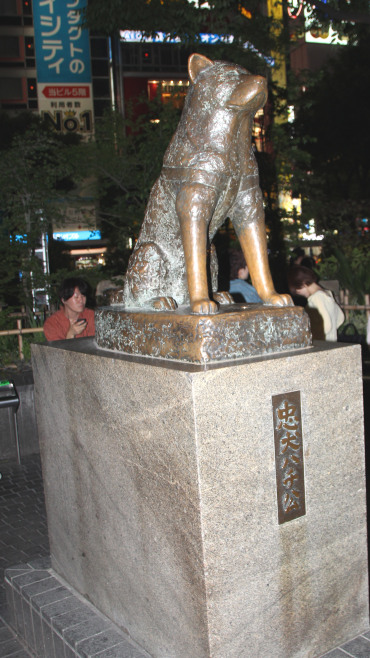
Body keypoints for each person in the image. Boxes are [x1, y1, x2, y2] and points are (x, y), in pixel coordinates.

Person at [287, 265, 344, 341]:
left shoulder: (316, 298)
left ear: (303, 284)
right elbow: (340, 318)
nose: (299, 294)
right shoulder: (327, 293)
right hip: (332, 342)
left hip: (322, 345)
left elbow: (326, 325)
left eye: (298, 291)